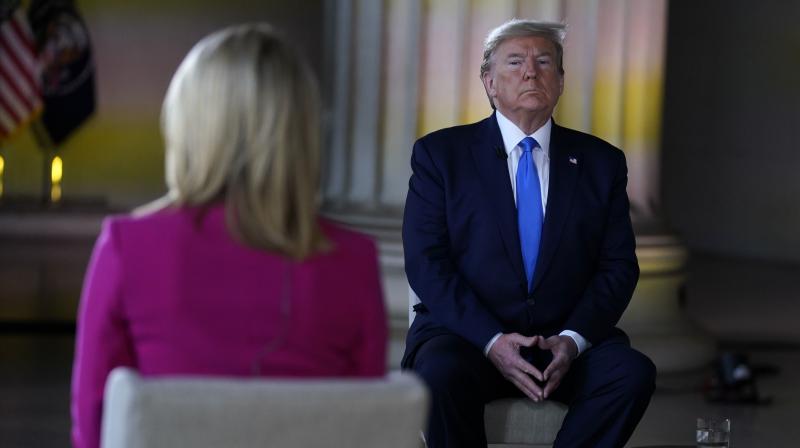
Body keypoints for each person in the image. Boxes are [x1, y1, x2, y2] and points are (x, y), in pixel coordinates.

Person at [70, 24, 387, 448]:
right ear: (302, 131)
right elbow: (365, 432)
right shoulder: (355, 261)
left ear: (188, 126)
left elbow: (93, 428)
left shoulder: (127, 248)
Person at [402, 19, 655, 447]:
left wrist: (573, 341)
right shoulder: (441, 155)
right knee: (437, 375)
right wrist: (492, 340)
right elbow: (427, 262)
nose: (531, 72)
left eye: (544, 62)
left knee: (631, 373)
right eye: (515, 61)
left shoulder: (601, 162)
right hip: (468, 338)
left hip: (562, 343)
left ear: (560, 81)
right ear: (489, 81)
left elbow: (618, 267)